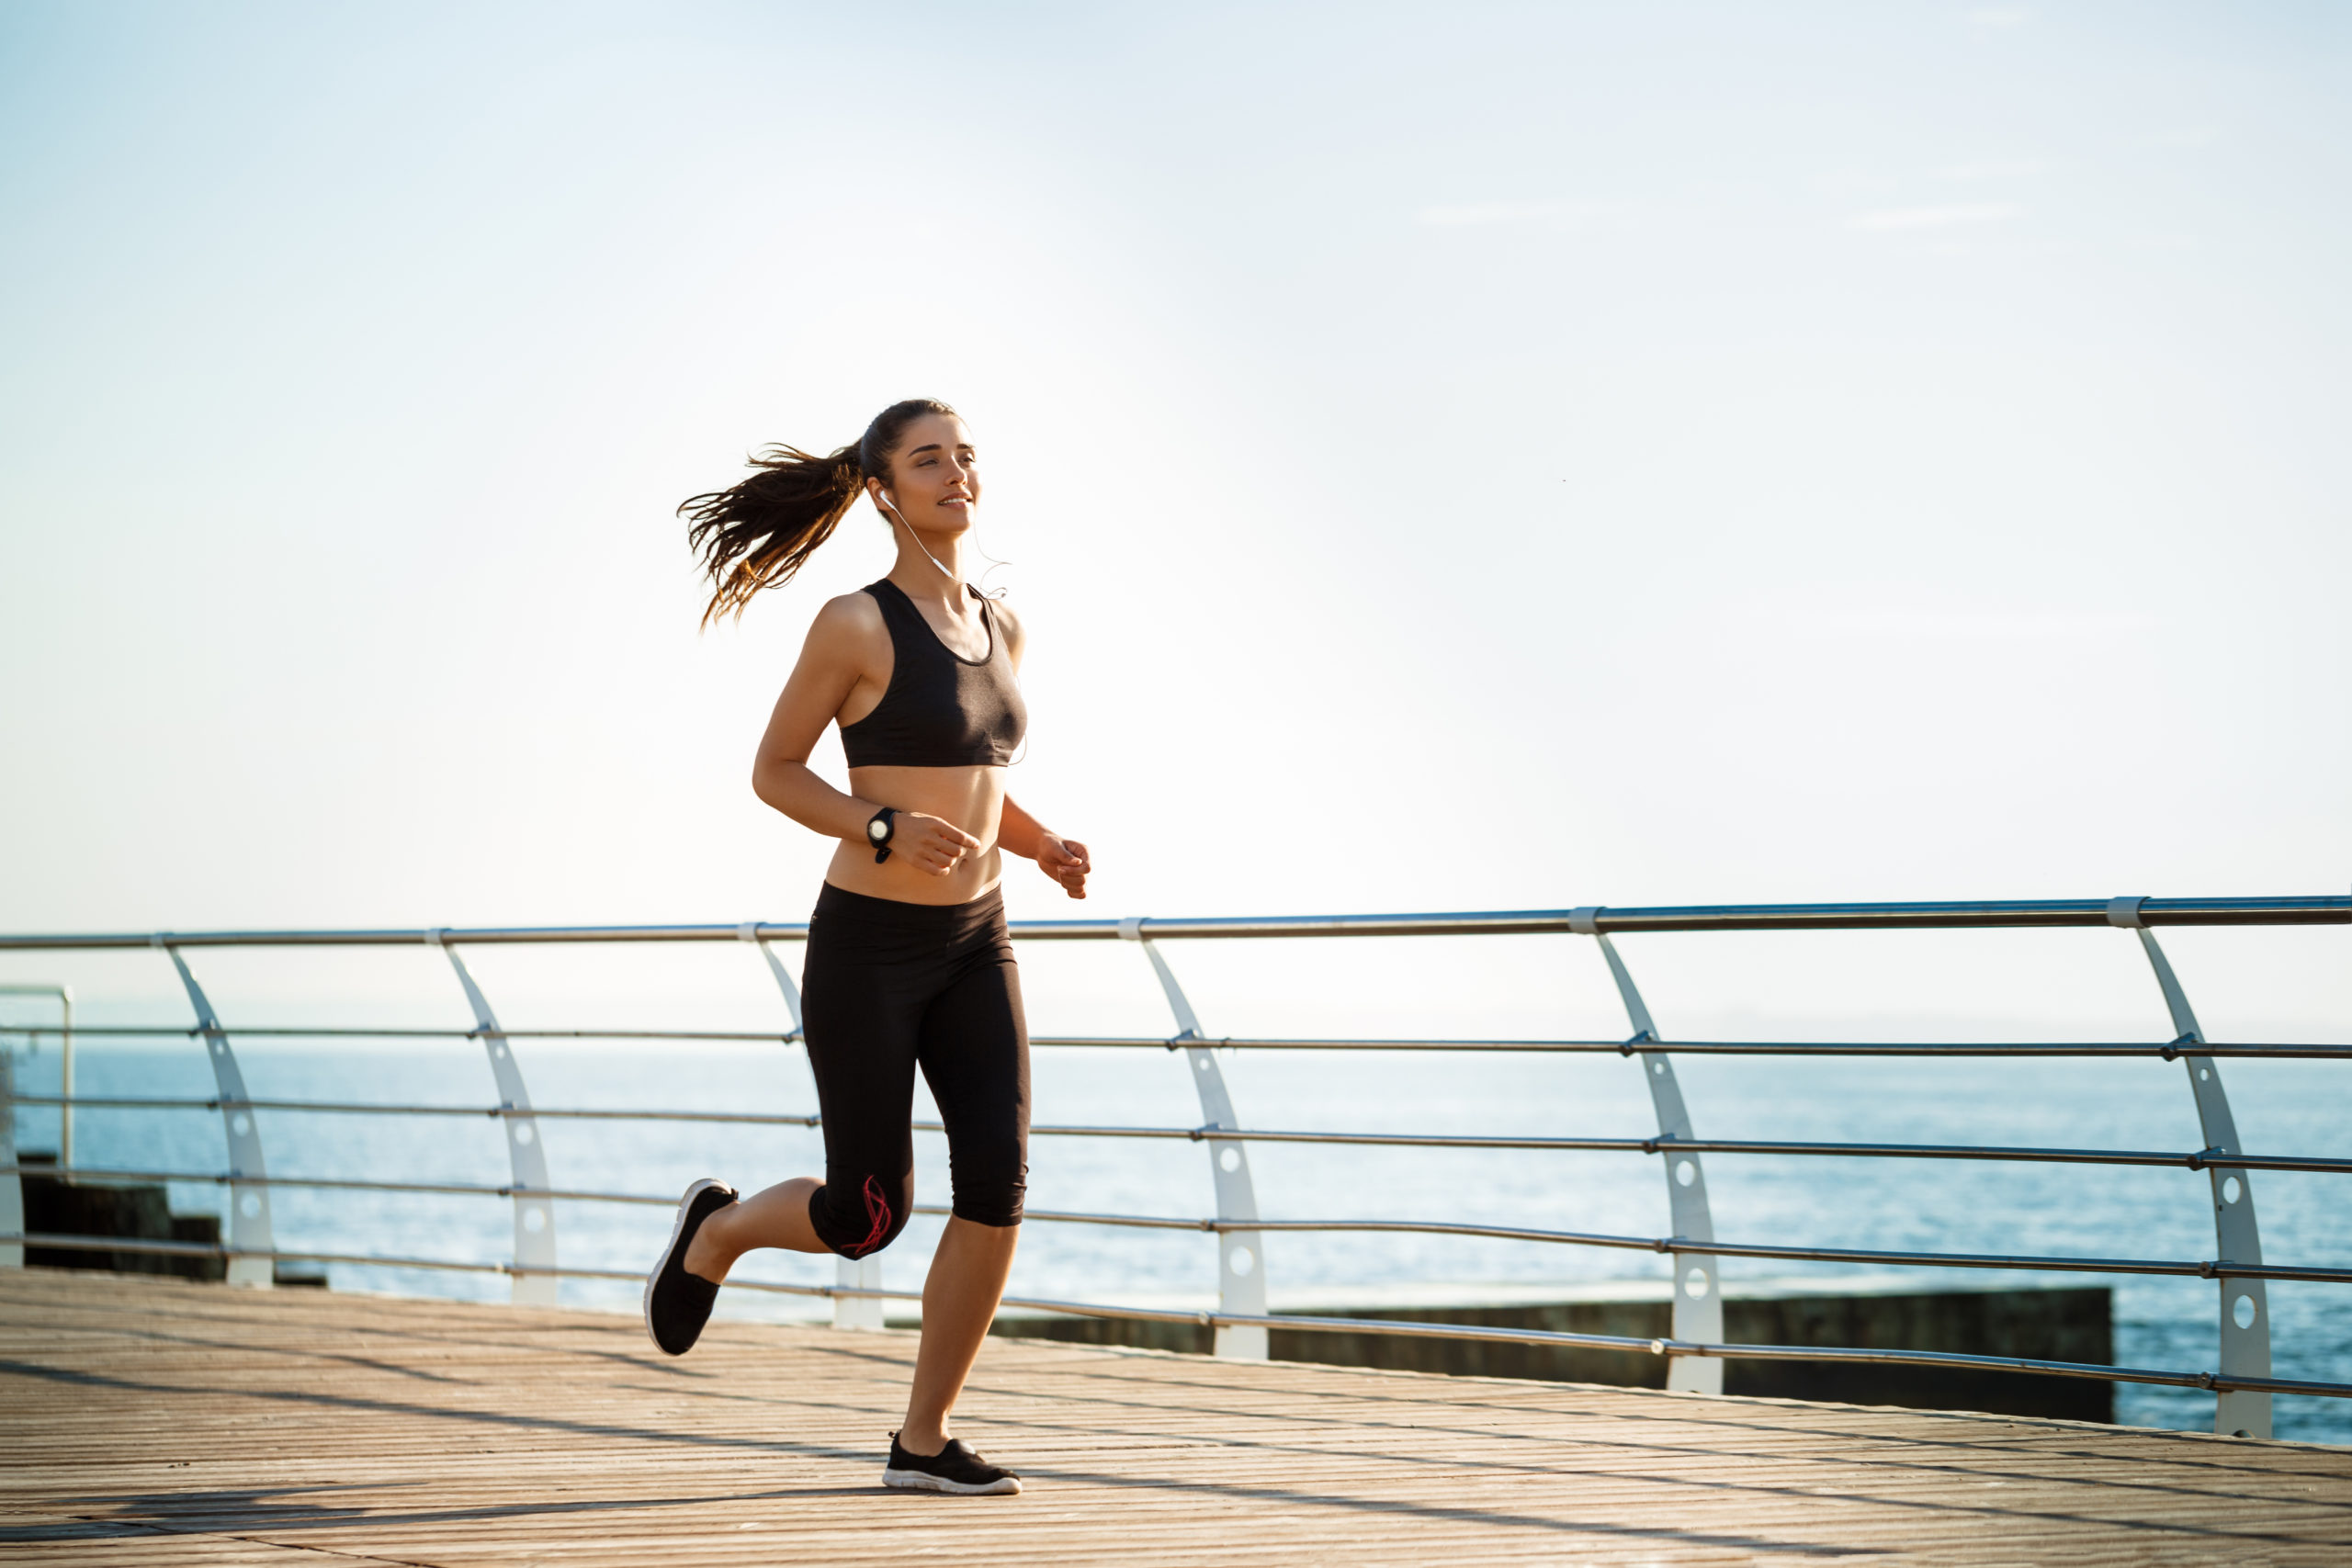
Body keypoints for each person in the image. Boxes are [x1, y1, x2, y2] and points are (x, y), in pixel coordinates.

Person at [642, 399, 1089, 1497]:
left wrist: (1039, 845)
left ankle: (922, 1441)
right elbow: (777, 772)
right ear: (883, 491)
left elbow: (978, 787)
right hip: (871, 949)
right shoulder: (855, 623)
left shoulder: (1003, 624)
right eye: (928, 459)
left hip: (979, 940)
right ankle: (718, 1234)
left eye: (966, 456)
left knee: (998, 1183)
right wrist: (879, 824)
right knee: (865, 1217)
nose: (956, 472)